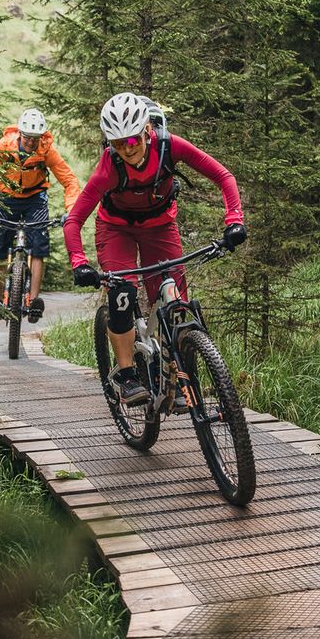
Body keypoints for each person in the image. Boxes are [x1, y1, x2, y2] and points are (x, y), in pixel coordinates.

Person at [64, 92, 247, 407]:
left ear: (147, 130)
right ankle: (126, 375)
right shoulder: (109, 166)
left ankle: (176, 378)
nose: (127, 150)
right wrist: (79, 262)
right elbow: (74, 220)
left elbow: (223, 176)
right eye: (117, 144)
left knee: (175, 302)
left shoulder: (170, 146)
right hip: (116, 228)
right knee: (122, 294)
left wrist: (234, 221)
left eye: (132, 141)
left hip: (160, 227)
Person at [0, 108, 82, 323]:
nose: (32, 142)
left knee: (39, 245)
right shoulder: (5, 146)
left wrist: (71, 210)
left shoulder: (46, 150)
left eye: (36, 138)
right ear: (20, 134)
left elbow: (69, 180)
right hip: (6, 196)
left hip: (35, 198)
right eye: (28, 137)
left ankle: (34, 301)